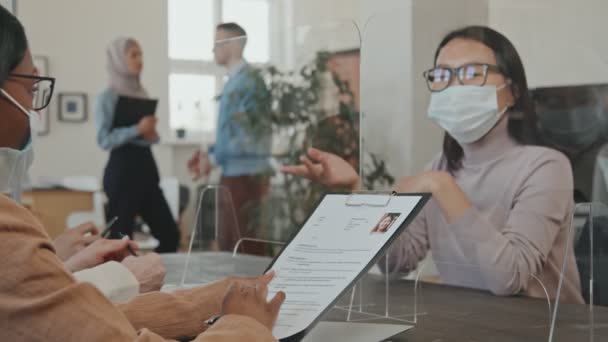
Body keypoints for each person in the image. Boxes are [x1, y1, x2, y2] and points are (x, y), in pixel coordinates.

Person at [0, 6, 285, 340]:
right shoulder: (10, 231)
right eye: (32, 90)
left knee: (166, 231)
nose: (34, 110)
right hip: (124, 173)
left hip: (149, 170)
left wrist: (193, 304)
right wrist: (243, 323)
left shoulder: (165, 90)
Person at [282, 26, 584, 303]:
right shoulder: (440, 166)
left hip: (545, 329)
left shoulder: (546, 167)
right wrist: (356, 188)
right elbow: (397, 262)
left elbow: (509, 278)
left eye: (472, 73)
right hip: (470, 324)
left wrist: (442, 186)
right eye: (442, 76)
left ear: (513, 91)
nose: (454, 87)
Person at [188, 23, 272, 255]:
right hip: (235, 173)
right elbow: (232, 132)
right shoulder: (236, 81)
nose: (212, 50)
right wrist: (211, 156)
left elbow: (249, 138)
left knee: (244, 244)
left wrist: (213, 159)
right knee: (230, 242)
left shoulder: (249, 82)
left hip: (246, 175)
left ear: (235, 44)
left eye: (217, 43)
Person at [96, 37, 180, 253]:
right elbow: (103, 139)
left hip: (147, 171)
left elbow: (150, 138)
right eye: (133, 54)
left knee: (170, 235)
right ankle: (130, 284)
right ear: (118, 59)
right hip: (122, 174)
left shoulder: (142, 93)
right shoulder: (107, 97)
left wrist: (150, 133)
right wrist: (137, 129)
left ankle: (154, 278)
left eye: (141, 54)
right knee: (121, 242)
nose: (140, 59)